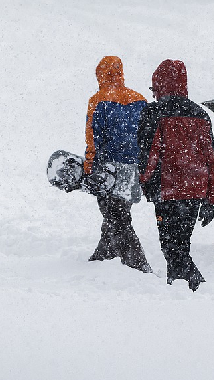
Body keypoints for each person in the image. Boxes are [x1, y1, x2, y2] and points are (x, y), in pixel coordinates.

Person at [138, 59, 214, 291]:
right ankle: (178, 291)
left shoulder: (153, 113)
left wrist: (145, 184)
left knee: (171, 247)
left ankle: (196, 288)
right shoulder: (201, 114)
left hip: (167, 190)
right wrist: (210, 199)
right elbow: (210, 159)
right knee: (181, 245)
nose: (153, 95)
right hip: (194, 190)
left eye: (154, 89)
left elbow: (148, 155)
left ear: (161, 85)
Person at [84, 55, 151, 273]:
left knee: (117, 216)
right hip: (133, 167)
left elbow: (93, 137)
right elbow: (147, 135)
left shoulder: (98, 100)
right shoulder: (140, 99)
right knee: (117, 211)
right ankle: (104, 254)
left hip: (109, 167)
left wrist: (89, 165)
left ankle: (137, 264)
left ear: (100, 75)